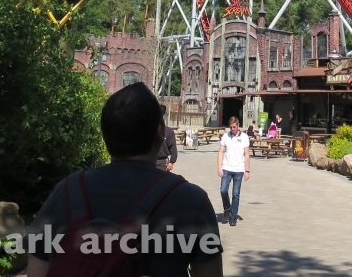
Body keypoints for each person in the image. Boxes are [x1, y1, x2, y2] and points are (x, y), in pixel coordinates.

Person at [27, 83, 223, 277]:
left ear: (105, 134)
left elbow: (36, 272)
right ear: (161, 131)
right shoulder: (191, 199)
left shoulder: (66, 191)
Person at [216, 116, 250, 227]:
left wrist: (247, 170)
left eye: (234, 127)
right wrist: (219, 167)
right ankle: (227, 209)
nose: (232, 129)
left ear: (238, 125)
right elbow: (221, 152)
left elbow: (247, 154)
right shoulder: (226, 136)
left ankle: (233, 216)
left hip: (239, 169)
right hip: (227, 168)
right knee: (223, 190)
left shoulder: (244, 137)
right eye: (230, 127)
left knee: (236, 193)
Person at [157, 105, 178, 172]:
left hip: (162, 162)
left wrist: (171, 162)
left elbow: (173, 148)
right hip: (148, 162)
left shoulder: (169, 131)